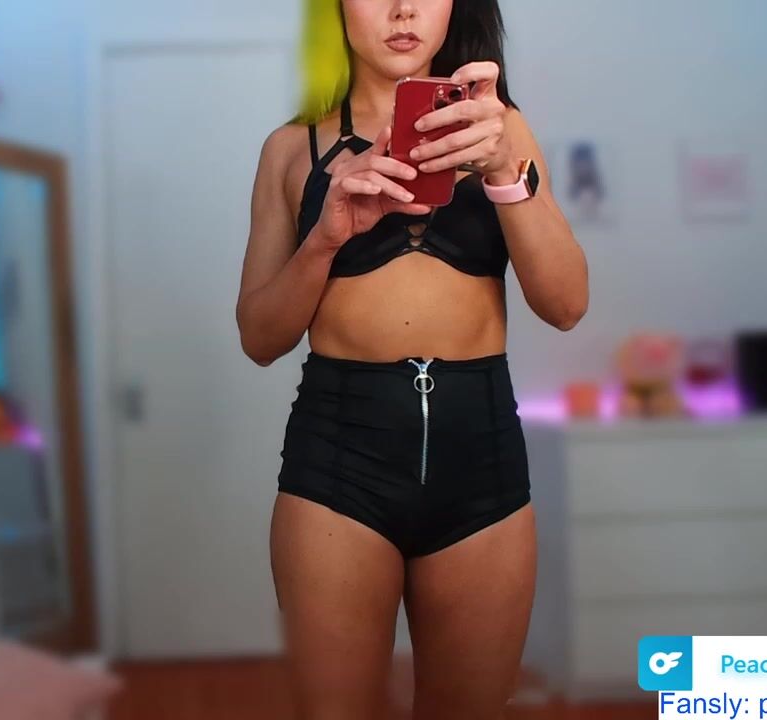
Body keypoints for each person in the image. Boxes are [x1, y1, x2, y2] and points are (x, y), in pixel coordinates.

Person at [234, 1, 589, 717]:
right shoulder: (291, 149)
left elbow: (565, 304)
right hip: (339, 458)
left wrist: (503, 170)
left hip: (481, 454)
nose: (403, 9)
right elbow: (260, 337)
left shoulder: (502, 130)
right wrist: (325, 238)